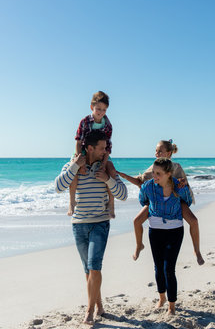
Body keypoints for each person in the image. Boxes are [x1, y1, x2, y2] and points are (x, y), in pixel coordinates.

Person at [55, 130, 128, 325]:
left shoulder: (105, 167)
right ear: (89, 148)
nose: (106, 151)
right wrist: (74, 166)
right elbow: (58, 186)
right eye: (102, 148)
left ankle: (89, 311)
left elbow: (123, 194)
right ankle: (100, 306)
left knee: (94, 266)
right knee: (88, 270)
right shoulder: (75, 166)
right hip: (78, 225)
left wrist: (107, 179)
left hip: (100, 223)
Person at [118, 140, 204, 265]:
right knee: (137, 221)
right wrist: (124, 176)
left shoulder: (177, 167)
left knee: (194, 221)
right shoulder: (154, 167)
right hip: (156, 200)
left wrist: (182, 183)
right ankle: (139, 245)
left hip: (176, 200)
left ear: (169, 153)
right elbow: (140, 181)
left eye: (160, 151)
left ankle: (197, 251)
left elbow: (185, 187)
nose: (156, 153)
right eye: (156, 151)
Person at [139, 157, 191, 315]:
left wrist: (181, 190)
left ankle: (172, 306)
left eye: (158, 173)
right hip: (155, 230)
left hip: (175, 230)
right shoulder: (149, 186)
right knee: (158, 267)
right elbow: (143, 200)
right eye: (154, 172)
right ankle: (161, 297)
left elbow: (186, 201)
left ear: (169, 174)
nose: (154, 176)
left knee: (169, 268)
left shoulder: (179, 186)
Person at [69, 91, 117, 219]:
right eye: (98, 109)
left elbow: (107, 148)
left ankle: (111, 203)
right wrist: (80, 162)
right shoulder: (84, 122)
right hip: (83, 150)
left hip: (102, 152)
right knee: (73, 169)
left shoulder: (107, 125)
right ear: (92, 107)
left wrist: (104, 163)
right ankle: (72, 201)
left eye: (104, 110)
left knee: (112, 171)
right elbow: (78, 142)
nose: (101, 112)